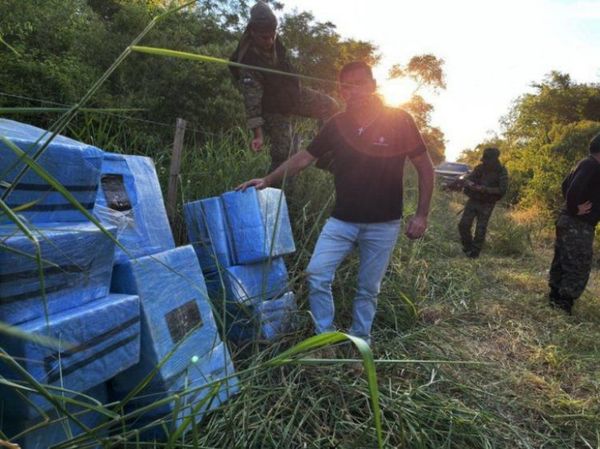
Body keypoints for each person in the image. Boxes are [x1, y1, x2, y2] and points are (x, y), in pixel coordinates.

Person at [237, 61, 435, 346]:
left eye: (359, 84)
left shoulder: (399, 120)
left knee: (368, 288)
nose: (353, 91)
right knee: (316, 275)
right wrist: (267, 180)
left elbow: (425, 167)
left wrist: (422, 215)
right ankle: (324, 340)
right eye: (346, 86)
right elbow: (305, 157)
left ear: (373, 85)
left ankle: (360, 341)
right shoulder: (338, 124)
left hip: (384, 223)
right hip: (342, 220)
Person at [229, 1, 339, 172]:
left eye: (273, 35)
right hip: (273, 108)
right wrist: (257, 134)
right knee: (284, 153)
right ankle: (277, 193)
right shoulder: (248, 62)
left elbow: (262, 7)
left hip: (291, 95)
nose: (270, 40)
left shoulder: (272, 35)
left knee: (330, 105)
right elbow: (252, 101)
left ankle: (324, 154)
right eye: (265, 37)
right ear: (252, 32)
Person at [548, 132, 600, 314]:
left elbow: (565, 185)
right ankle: (563, 304)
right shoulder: (592, 165)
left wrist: (571, 208)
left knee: (563, 259)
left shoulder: (585, 163)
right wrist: (574, 208)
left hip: (569, 221)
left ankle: (555, 297)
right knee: (579, 263)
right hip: (577, 224)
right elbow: (572, 188)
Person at [458, 147, 508, 258]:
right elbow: (469, 178)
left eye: (487, 159)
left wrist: (484, 189)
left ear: (494, 159)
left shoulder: (501, 171)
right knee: (463, 225)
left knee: (480, 229)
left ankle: (474, 254)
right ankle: (468, 248)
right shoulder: (480, 168)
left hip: (487, 203)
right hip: (474, 200)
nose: (484, 161)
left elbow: (502, 189)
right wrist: (469, 183)